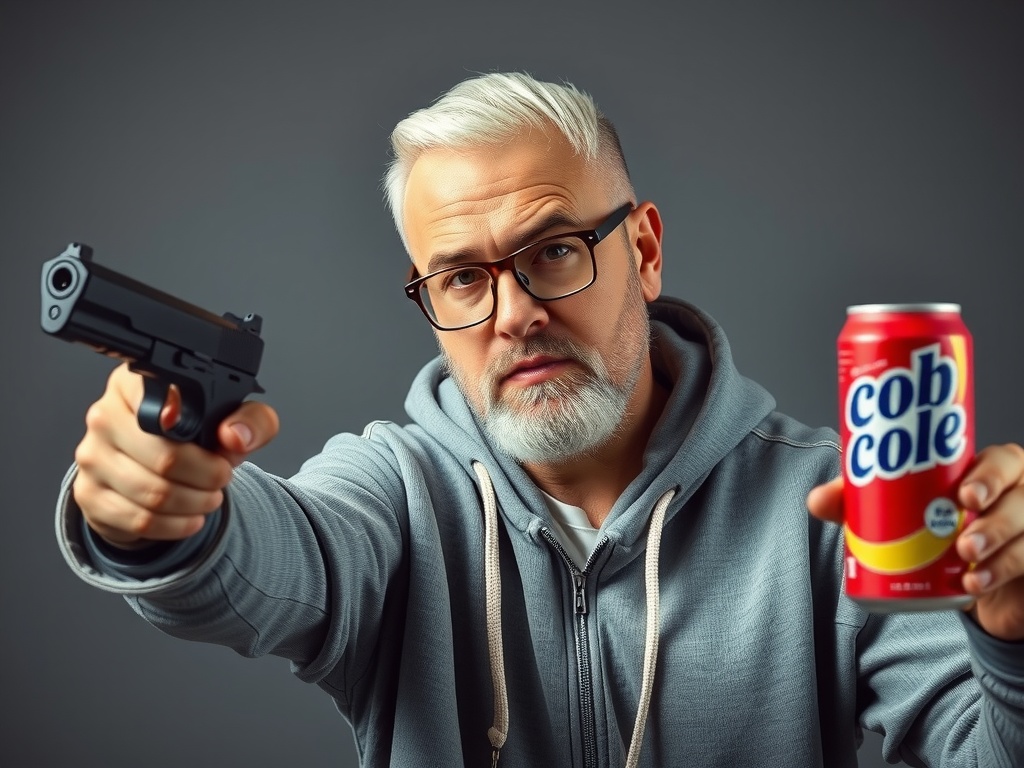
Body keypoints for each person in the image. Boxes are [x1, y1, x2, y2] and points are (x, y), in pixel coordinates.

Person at [56, 72, 1024, 768]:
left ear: (642, 250)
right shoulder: (396, 495)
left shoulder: (832, 513)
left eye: (554, 250)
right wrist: (161, 517)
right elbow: (268, 563)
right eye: (462, 278)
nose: (514, 313)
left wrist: (1014, 643)